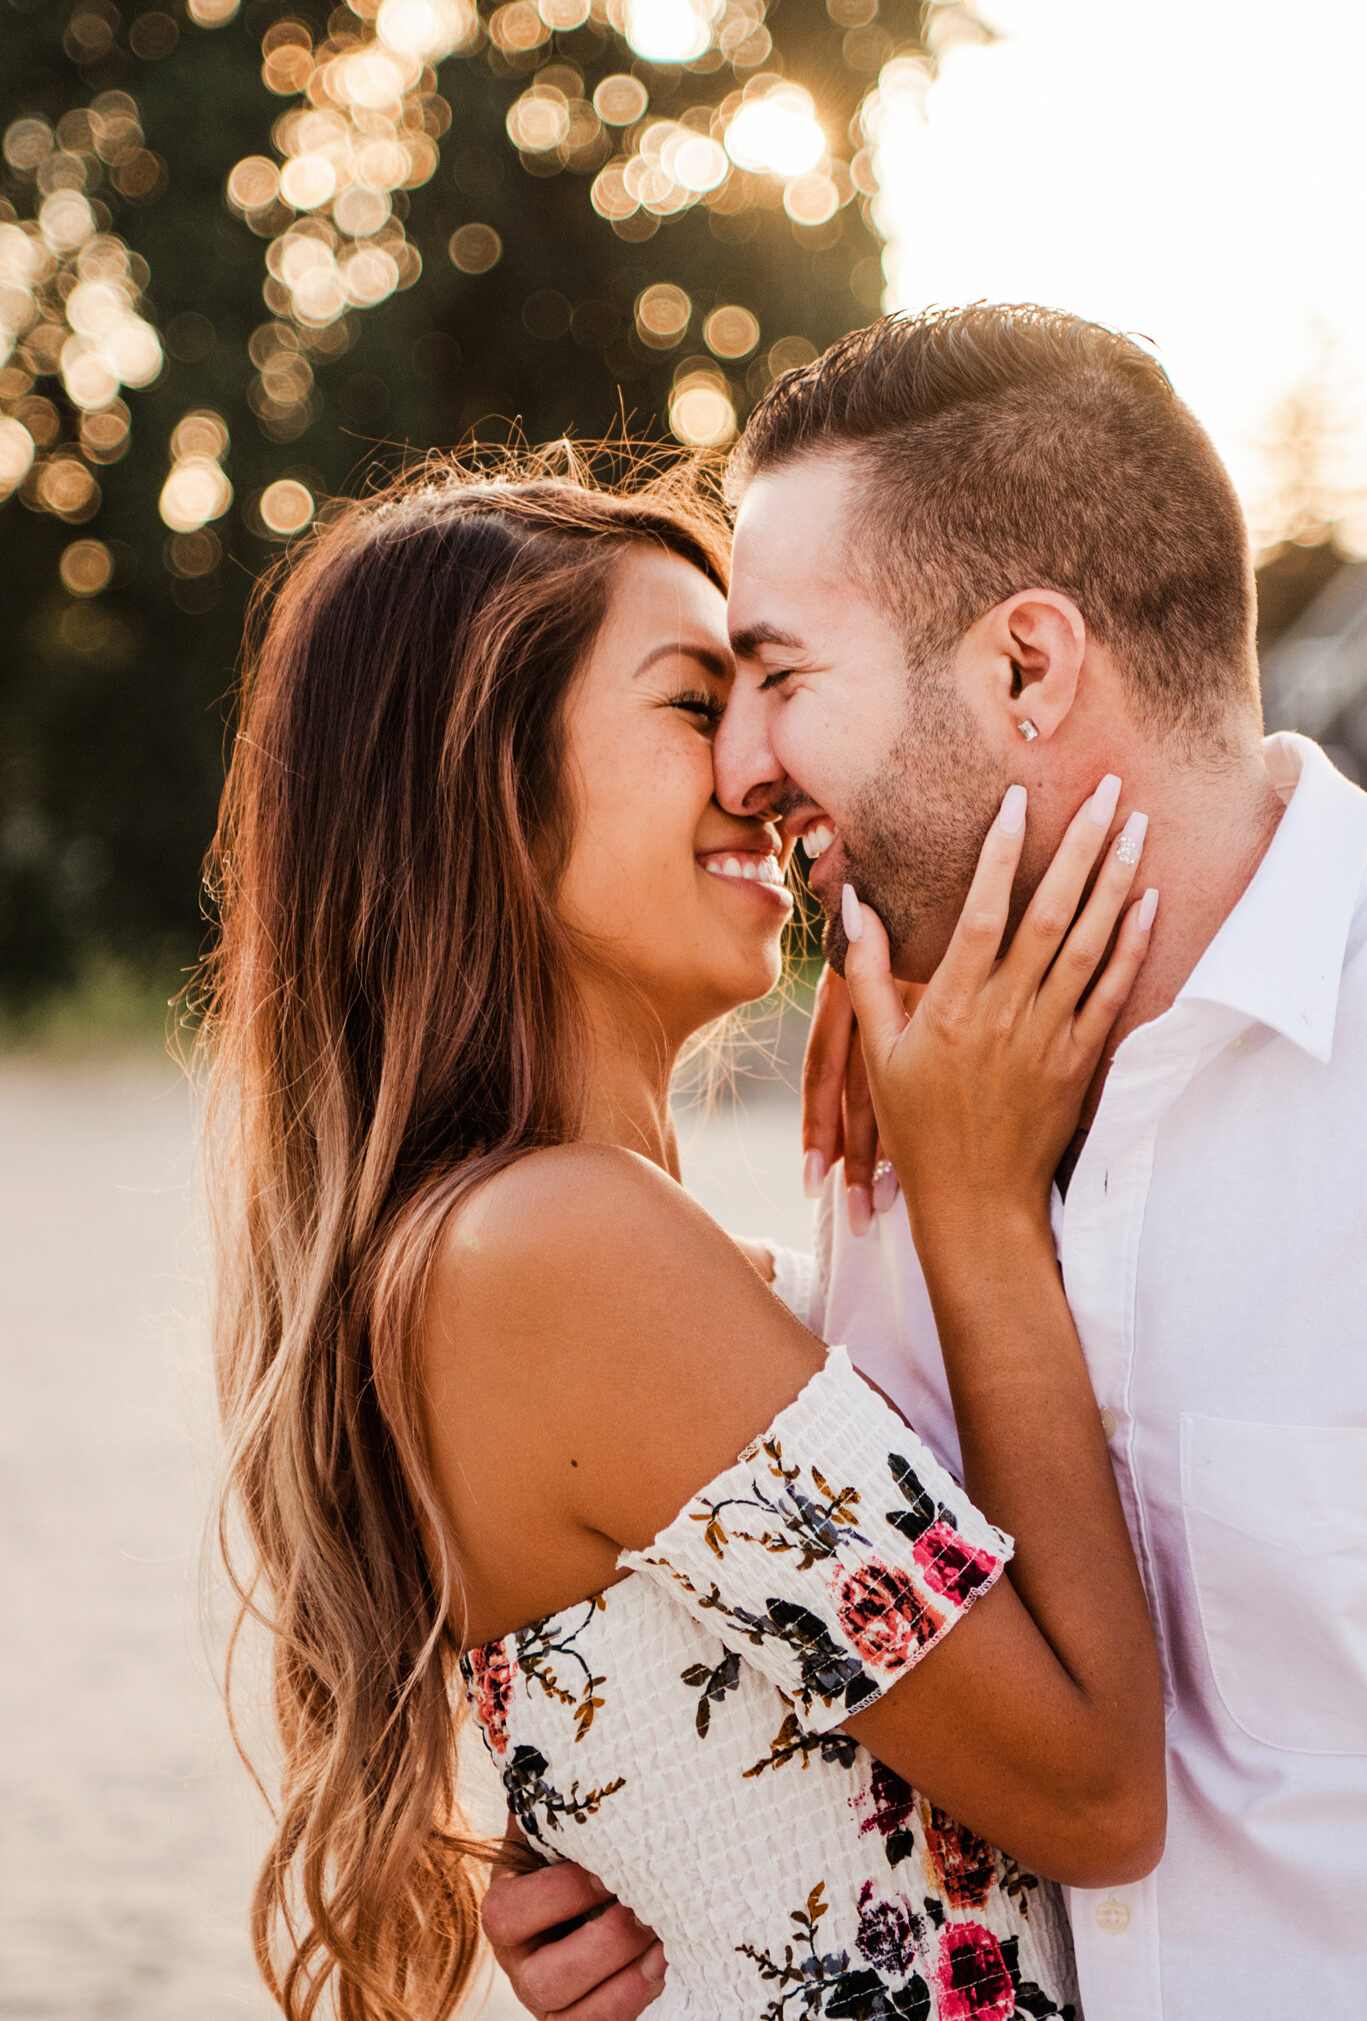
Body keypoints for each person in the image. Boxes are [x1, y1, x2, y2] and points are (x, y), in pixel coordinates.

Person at [205, 454, 1167, 2021]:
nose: (763, 767)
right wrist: (974, 1206)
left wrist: (905, 1000)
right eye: (691, 702)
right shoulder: (560, 1251)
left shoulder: (538, 1246)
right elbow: (1100, 1797)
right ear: (488, 797)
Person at [489, 308, 1367, 2021]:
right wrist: (660, 1863)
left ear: (1026, 670)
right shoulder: (881, 1123)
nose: (745, 769)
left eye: (782, 675)